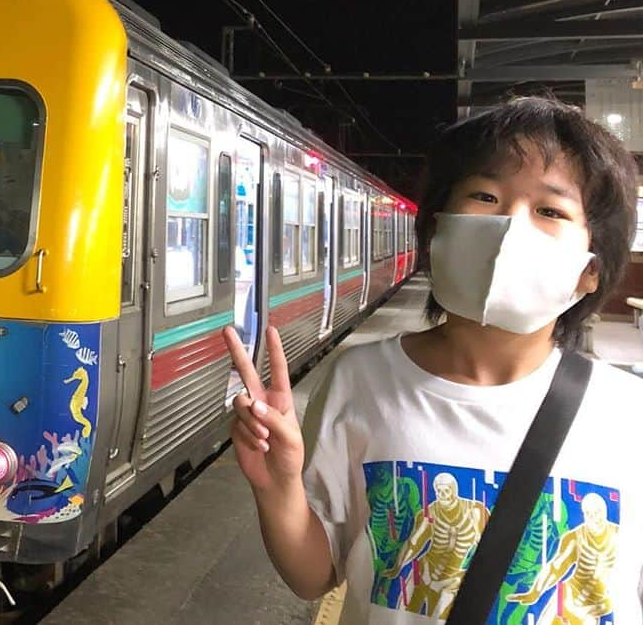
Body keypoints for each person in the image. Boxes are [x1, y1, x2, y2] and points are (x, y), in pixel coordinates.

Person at [223, 96, 643, 623]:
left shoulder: (630, 413)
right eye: (485, 196)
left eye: (550, 210)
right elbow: (314, 576)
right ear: (437, 231)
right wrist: (277, 487)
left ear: (592, 269)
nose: (511, 226)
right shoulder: (362, 380)